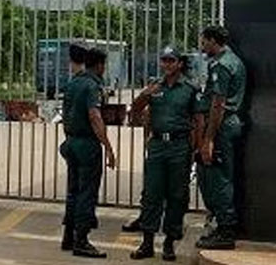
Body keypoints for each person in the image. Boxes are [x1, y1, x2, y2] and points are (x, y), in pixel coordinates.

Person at [126, 47, 200, 261]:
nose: (166, 64)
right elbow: (135, 111)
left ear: (180, 64)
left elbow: (198, 120)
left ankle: (169, 242)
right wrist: (145, 95)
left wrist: (195, 148)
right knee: (152, 194)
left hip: (179, 146)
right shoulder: (154, 86)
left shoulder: (190, 88)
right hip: (158, 145)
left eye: (171, 60)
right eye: (164, 60)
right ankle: (147, 243)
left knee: (177, 195)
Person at [60, 48, 117, 258]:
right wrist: (108, 146)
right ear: (100, 65)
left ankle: (68, 236)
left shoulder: (73, 83)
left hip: (71, 141)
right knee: (87, 192)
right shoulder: (93, 86)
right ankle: (81, 240)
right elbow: (94, 116)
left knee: (73, 190)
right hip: (87, 145)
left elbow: (65, 114)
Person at [195, 26, 246, 251]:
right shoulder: (233, 61)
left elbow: (218, 105)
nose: (202, 46)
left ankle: (226, 230)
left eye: (204, 42)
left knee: (219, 179)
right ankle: (221, 224)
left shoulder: (222, 65)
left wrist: (208, 139)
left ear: (213, 41)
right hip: (227, 124)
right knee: (216, 175)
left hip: (221, 126)